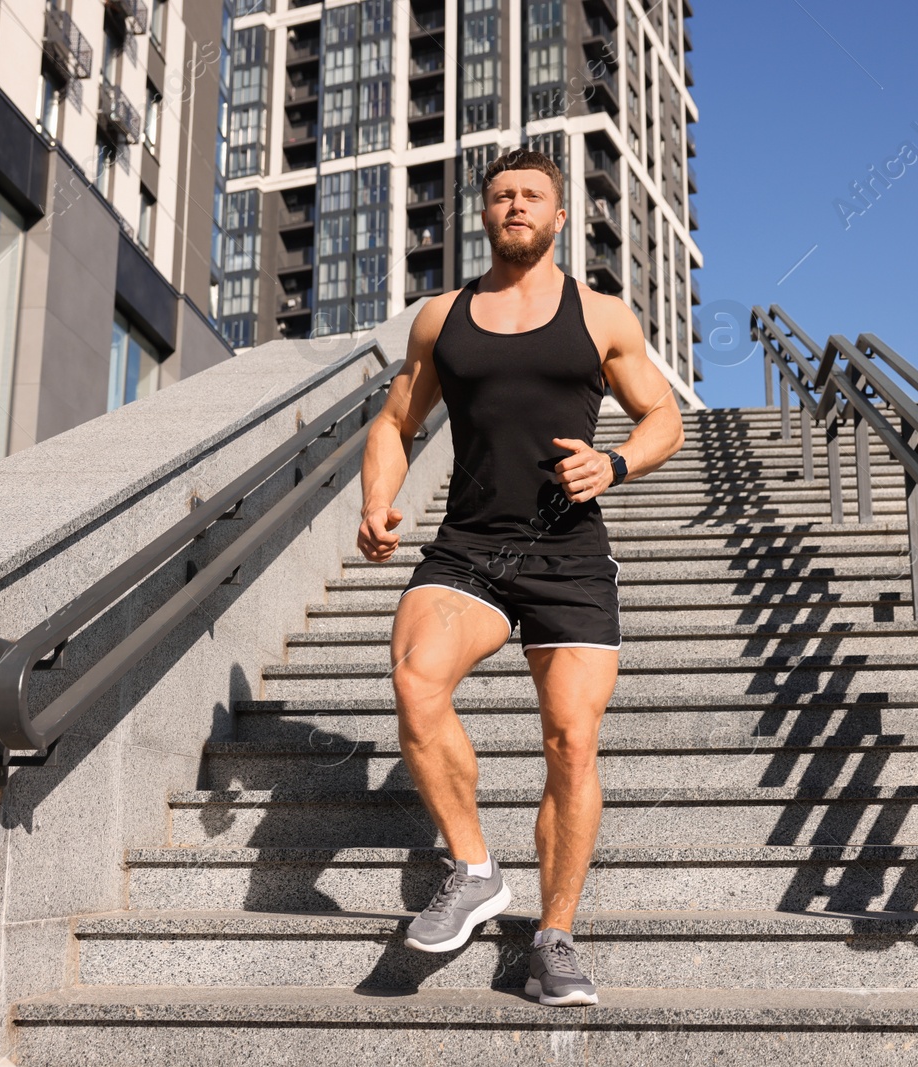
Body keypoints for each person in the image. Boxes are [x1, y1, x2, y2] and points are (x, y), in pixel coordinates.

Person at [356, 148, 684, 1007]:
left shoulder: (602, 316)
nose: (515, 206)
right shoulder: (442, 318)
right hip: (468, 545)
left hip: (569, 552)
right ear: (486, 213)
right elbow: (395, 421)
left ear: (559, 214)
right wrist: (378, 501)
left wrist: (615, 465)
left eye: (531, 195)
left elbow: (664, 416)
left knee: (571, 742)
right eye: (501, 195)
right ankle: (472, 866)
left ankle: (555, 937)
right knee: (415, 678)